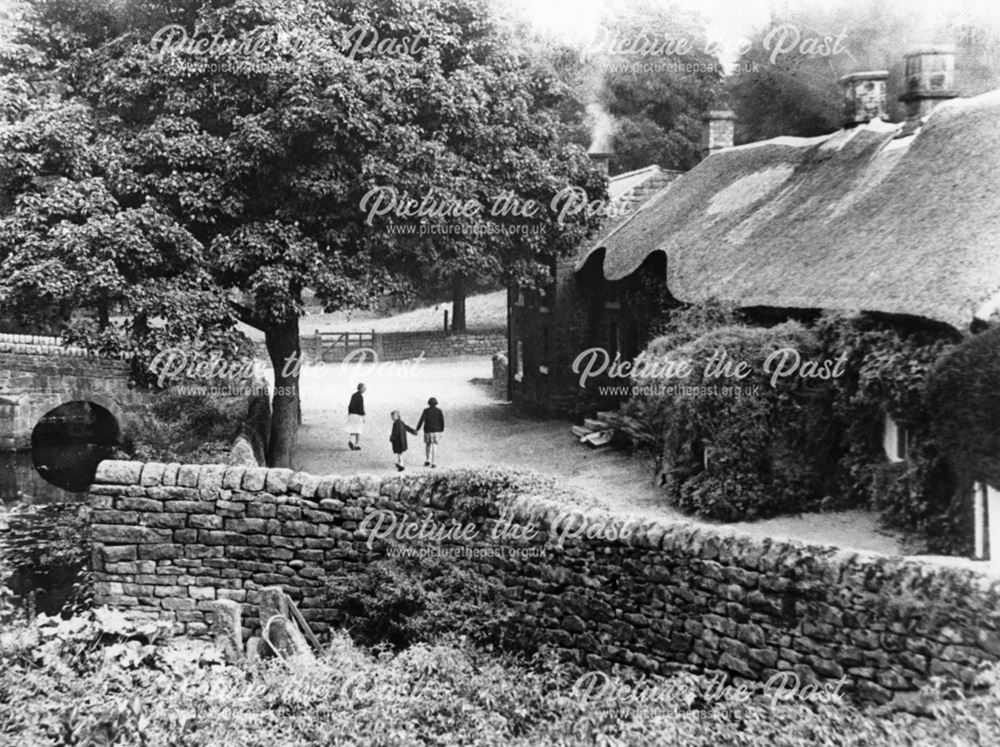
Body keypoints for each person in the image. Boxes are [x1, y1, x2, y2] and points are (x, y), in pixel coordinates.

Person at [415, 396, 444, 467]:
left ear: (429, 403)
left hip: (427, 430)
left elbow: (421, 420)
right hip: (436, 431)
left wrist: (417, 429)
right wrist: (442, 429)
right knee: (434, 445)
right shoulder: (439, 411)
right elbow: (442, 421)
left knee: (427, 445)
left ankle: (427, 460)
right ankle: (434, 462)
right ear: (436, 403)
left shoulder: (426, 411)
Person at [347, 383, 366, 450]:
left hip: (352, 415)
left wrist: (349, 413)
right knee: (358, 431)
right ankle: (355, 445)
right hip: (358, 416)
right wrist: (363, 416)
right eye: (364, 388)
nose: (365, 390)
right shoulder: (360, 397)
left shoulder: (353, 395)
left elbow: (349, 406)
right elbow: (361, 408)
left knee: (353, 430)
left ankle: (351, 441)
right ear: (360, 388)